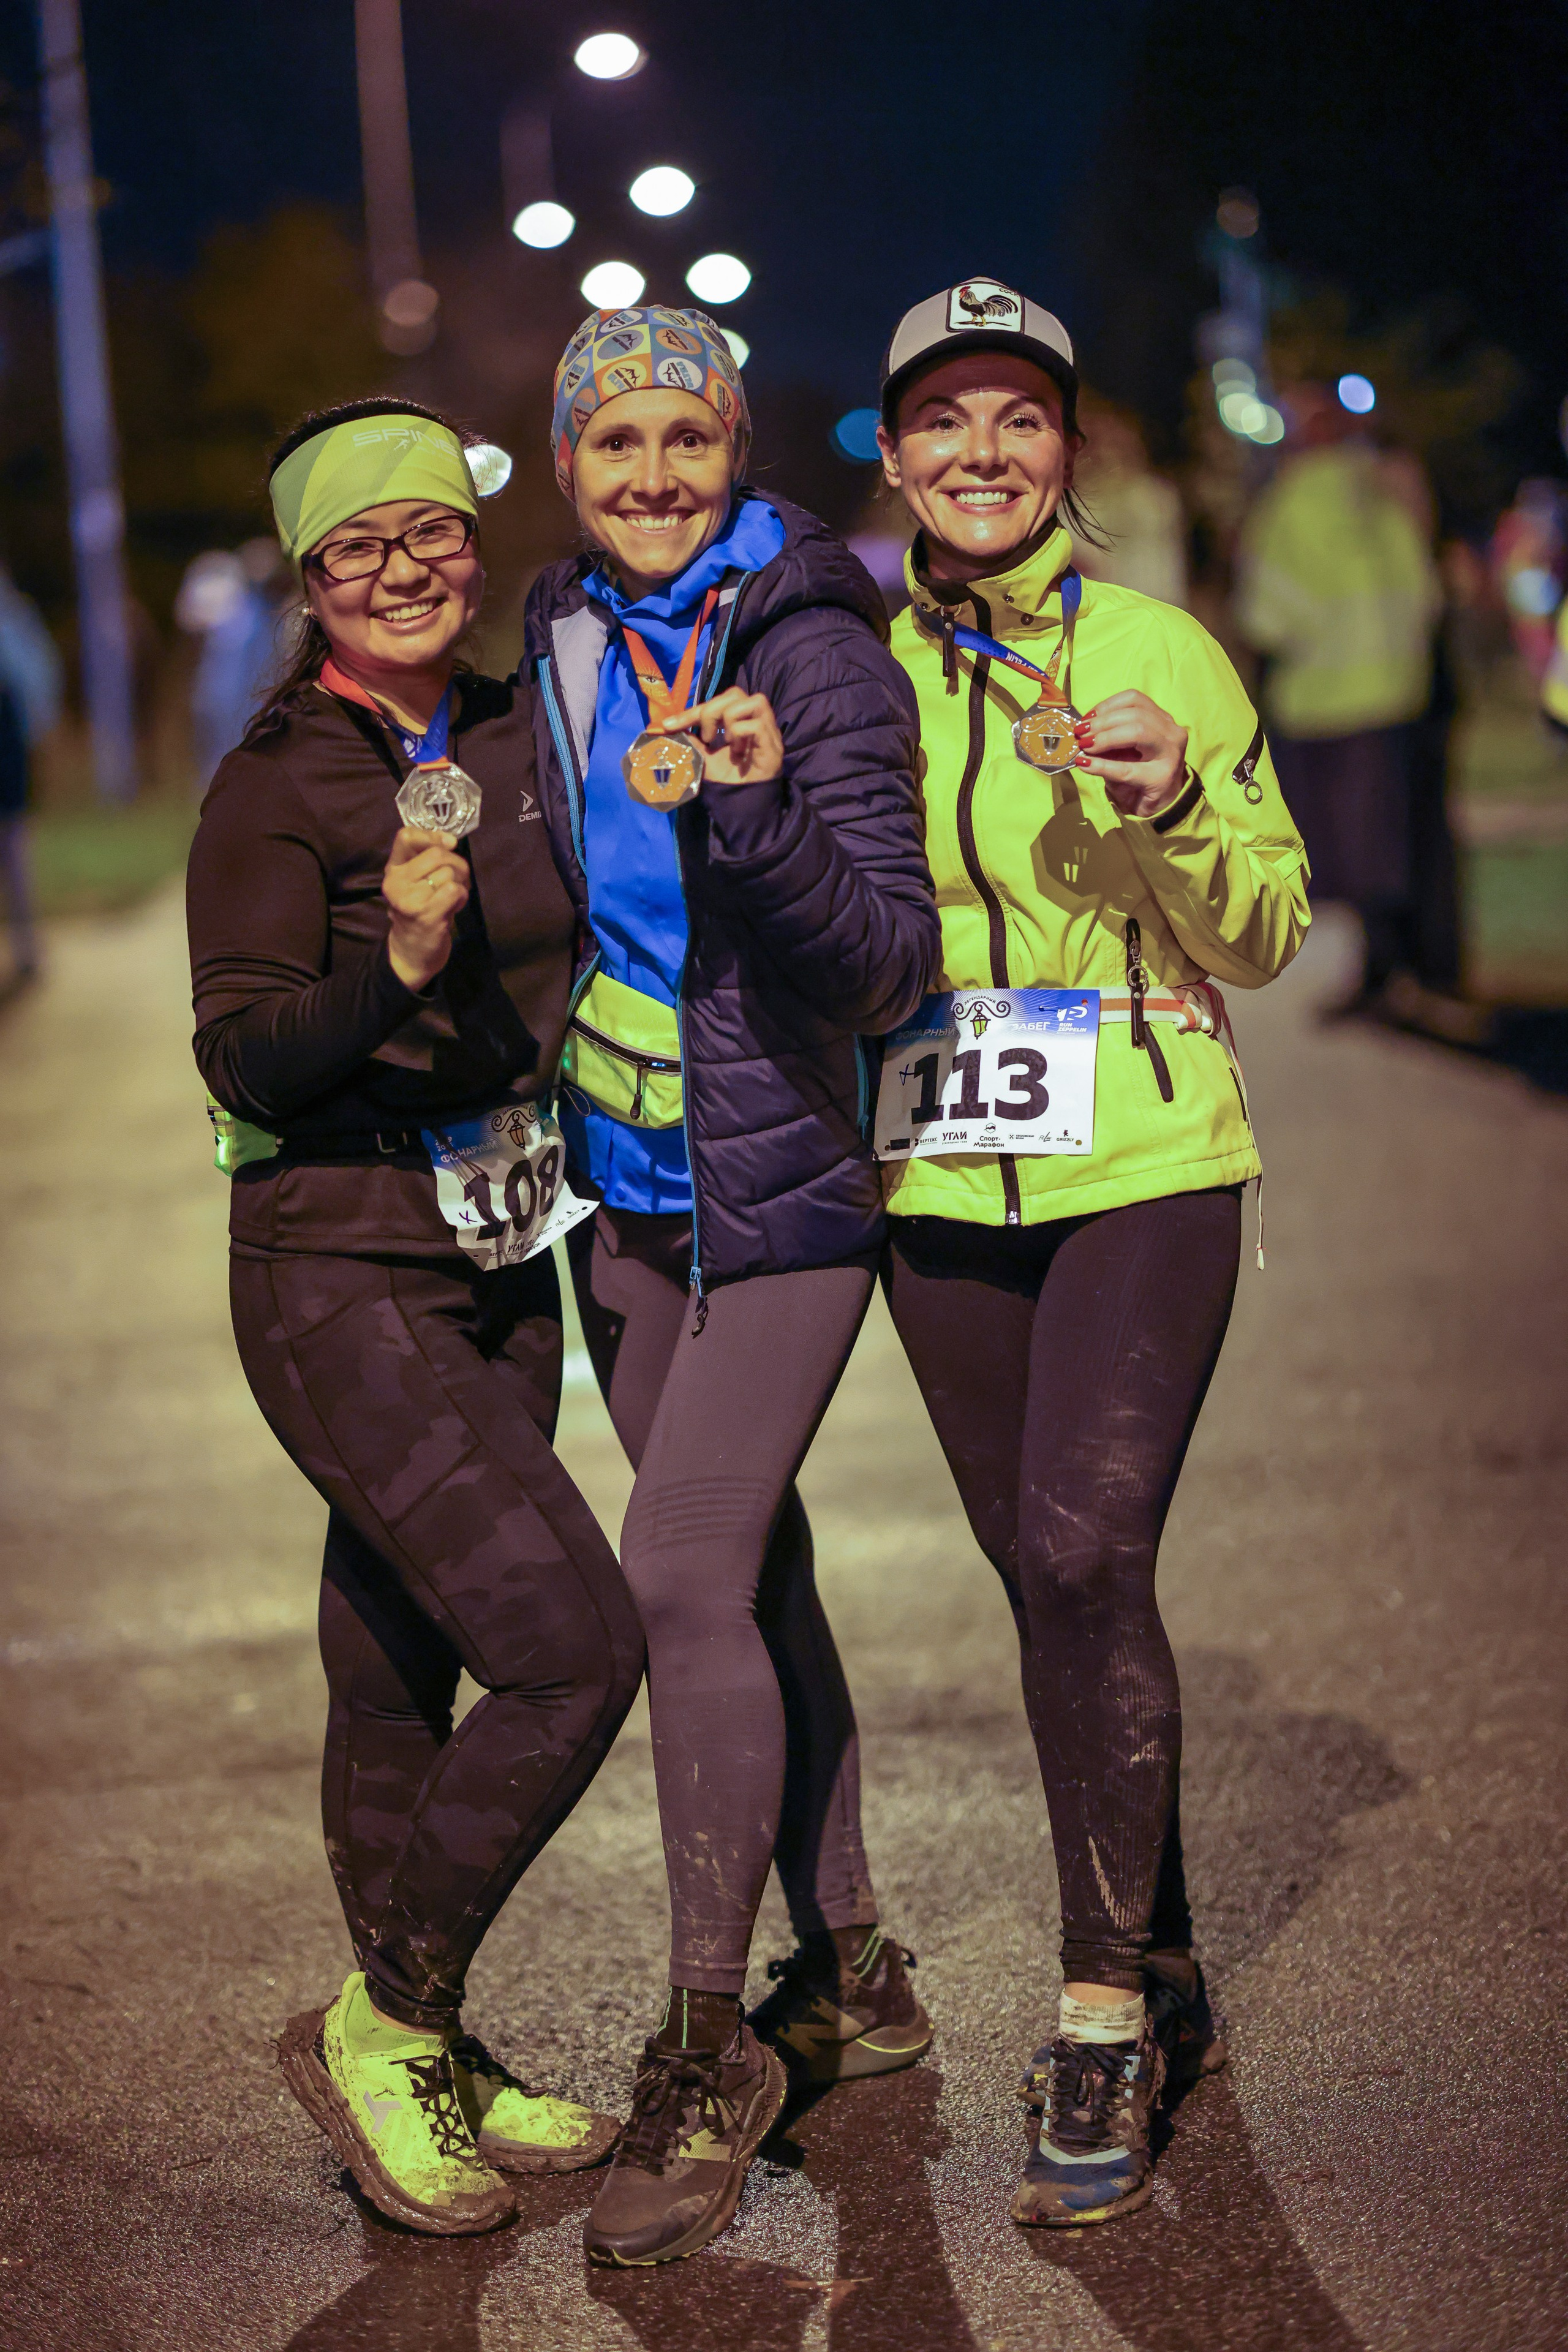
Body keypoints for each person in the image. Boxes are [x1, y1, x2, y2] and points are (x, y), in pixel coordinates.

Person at [872, 279, 1310, 2226]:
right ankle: (1164, 1945)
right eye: (944, 418)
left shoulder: (1160, 649)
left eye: (1020, 416)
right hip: (934, 1179)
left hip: (1145, 1156)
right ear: (896, 458)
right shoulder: (849, 667)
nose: (984, 451)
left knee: (1078, 1552)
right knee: (1049, 1583)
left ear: (1068, 448)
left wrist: (1179, 799)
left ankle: (1100, 2011)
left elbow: (1267, 930)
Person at [186, 397, 646, 2237]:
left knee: (397, 1661)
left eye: (430, 533)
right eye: (358, 548)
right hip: (338, 1262)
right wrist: (393, 963)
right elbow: (242, 1053)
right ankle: (382, 2019)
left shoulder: (517, 725)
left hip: (497, 1247)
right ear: (310, 581)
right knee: (569, 1648)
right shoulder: (276, 782)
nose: (403, 570)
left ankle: (427, 2050)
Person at [523, 303, 941, 2266]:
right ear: (565, 468)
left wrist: (756, 809)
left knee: (679, 1574)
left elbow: (885, 963)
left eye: (687, 438)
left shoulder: (811, 639)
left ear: (739, 448)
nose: (654, 474)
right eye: (615, 443)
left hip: (782, 1185)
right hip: (620, 1190)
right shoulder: (561, 630)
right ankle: (855, 1969)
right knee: (751, 1573)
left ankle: (708, 2047)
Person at [1234, 382, 1441, 1009]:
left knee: (1341, 850)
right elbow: (1424, 591)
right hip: (1396, 692)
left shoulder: (1286, 505)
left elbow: (1267, 618)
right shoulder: (1381, 493)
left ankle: (1376, 977)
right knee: (1389, 841)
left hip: (1320, 701)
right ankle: (1401, 971)